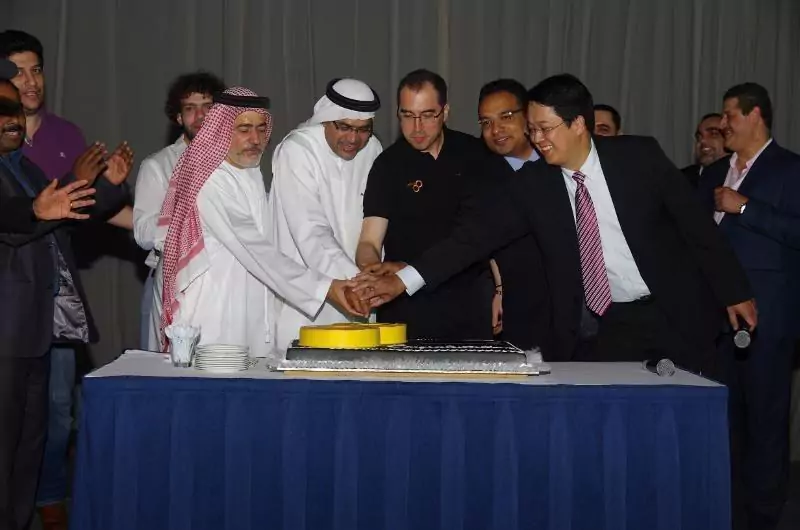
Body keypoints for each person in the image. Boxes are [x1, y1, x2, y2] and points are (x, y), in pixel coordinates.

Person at [356, 73, 756, 372]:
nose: (537, 139)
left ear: (578, 124)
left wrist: (734, 291)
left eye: (545, 129)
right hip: (611, 324)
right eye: (532, 129)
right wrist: (404, 279)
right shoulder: (535, 184)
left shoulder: (639, 159)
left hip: (674, 311)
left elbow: (697, 228)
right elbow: (471, 239)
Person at [0, 81, 130, 530]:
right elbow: (17, 216)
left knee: (28, 449)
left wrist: (108, 186)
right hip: (5, 333)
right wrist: (37, 211)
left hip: (35, 330)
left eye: (15, 108)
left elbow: (65, 211)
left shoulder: (25, 168)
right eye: (2, 110)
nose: (14, 118)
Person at [155, 87, 365, 357]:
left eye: (261, 128)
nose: (255, 138)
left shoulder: (250, 173)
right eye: (244, 129)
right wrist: (324, 287)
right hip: (216, 314)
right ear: (220, 131)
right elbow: (254, 247)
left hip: (254, 310)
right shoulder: (211, 179)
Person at [697, 82, 800, 530]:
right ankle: (728, 509)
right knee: (724, 424)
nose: (723, 125)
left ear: (756, 115)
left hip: (768, 322)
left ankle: (763, 516)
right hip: (717, 322)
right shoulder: (715, 171)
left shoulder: (790, 170)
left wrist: (746, 208)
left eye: (730, 115)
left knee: (765, 423)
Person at [356, 69, 494, 340]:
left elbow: (480, 237)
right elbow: (369, 241)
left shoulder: (476, 156)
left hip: (466, 303)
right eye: (407, 115)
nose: (416, 128)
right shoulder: (388, 165)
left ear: (445, 112)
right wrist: (372, 268)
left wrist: (501, 290)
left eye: (427, 115)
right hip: (403, 305)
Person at [268, 78, 382, 353]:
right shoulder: (297, 150)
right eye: (344, 127)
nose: (353, 139)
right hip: (308, 301)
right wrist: (359, 283)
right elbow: (311, 230)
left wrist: (372, 279)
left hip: (361, 297)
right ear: (325, 119)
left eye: (363, 129)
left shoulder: (374, 149)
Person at [133, 71, 225, 351]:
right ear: (178, 118)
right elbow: (143, 232)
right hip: (173, 277)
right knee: (168, 367)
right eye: (190, 109)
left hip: (224, 279)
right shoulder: (158, 166)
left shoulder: (235, 161)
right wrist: (188, 221)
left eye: (208, 107)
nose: (200, 116)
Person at [476, 78, 548, 349]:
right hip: (519, 302)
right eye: (486, 123)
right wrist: (499, 289)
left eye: (505, 117)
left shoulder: (557, 158)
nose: (496, 130)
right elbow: (482, 240)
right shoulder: (480, 175)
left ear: (527, 114)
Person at [681, 113, 727, 187]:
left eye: (713, 134)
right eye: (699, 137)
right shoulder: (679, 179)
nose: (702, 141)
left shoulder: (741, 178)